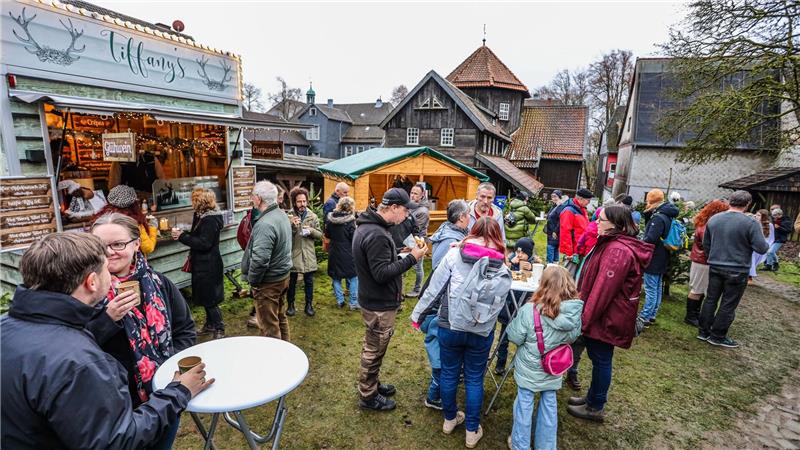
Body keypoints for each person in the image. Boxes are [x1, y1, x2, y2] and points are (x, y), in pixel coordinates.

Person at [1, 232, 213, 449]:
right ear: (92, 282)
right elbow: (116, 440)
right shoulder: (79, 362)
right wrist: (179, 392)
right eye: (105, 268)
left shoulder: (7, 327)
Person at [88, 213, 198, 448]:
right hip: (115, 404)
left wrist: (168, 369)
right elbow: (74, 348)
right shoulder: (86, 292)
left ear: (137, 244)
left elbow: (185, 329)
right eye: (101, 246)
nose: (109, 252)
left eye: (118, 244)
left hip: (163, 394)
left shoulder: (159, 283)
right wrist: (107, 319)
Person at [410, 217, 510, 448]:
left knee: (448, 374)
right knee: (475, 379)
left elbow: (434, 288)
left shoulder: (455, 255)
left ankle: (449, 419)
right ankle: (472, 431)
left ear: (473, 231)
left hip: (450, 326)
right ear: (496, 236)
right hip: (481, 331)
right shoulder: (502, 264)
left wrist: (418, 316)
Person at [567, 205, 654, 423]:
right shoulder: (611, 243)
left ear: (617, 225)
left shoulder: (617, 251)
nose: (597, 223)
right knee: (599, 359)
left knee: (602, 359)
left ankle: (595, 406)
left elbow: (602, 291)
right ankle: (592, 398)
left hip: (607, 316)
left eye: (601, 220)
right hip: (604, 314)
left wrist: (584, 320)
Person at [353, 188, 426, 411]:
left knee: (376, 346)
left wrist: (398, 251)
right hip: (378, 304)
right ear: (393, 208)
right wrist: (413, 257)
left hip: (373, 299)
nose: (407, 216)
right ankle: (368, 396)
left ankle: (372, 384)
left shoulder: (369, 227)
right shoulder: (376, 234)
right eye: (405, 210)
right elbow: (382, 273)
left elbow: (379, 259)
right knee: (374, 349)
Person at [507, 266, 584, 450]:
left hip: (529, 366)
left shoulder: (529, 310)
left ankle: (520, 444)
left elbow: (515, 337)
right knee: (549, 403)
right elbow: (573, 337)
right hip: (553, 368)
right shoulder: (574, 314)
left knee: (524, 403)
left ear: (543, 285)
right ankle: (546, 446)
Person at [698, 190, 769, 348]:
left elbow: (706, 243)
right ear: (747, 204)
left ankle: (703, 331)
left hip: (716, 265)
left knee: (710, 299)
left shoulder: (714, 219)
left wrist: (713, 257)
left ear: (731, 201)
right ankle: (717, 336)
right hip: (737, 268)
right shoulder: (750, 223)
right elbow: (762, 247)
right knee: (728, 304)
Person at [418, 199, 470, 411]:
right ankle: (435, 395)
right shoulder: (451, 238)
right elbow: (443, 273)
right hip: (441, 303)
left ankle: (440, 388)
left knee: (441, 349)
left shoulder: (448, 232)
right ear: (461, 218)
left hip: (440, 302)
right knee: (439, 350)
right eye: (468, 215)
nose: (470, 218)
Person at [241, 181, 293, 340]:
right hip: (282, 277)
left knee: (269, 327)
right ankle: (287, 354)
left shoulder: (265, 223)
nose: (252, 199)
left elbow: (260, 260)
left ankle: (276, 362)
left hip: (269, 283)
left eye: (253, 196)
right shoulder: (281, 214)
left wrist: (254, 281)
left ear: (258, 199)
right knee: (280, 316)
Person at [172, 189, 225, 339]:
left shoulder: (210, 219)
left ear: (200, 202)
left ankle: (219, 327)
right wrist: (184, 233)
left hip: (209, 264)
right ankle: (210, 325)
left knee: (210, 299)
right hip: (201, 263)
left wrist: (182, 236)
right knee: (205, 296)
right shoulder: (200, 215)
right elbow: (197, 236)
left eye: (193, 200)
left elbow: (204, 243)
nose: (191, 202)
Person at [494, 237, 540, 375]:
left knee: (525, 338)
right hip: (509, 305)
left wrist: (532, 267)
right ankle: (500, 364)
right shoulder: (511, 261)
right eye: (517, 251)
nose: (519, 255)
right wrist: (511, 265)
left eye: (522, 252)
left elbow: (537, 280)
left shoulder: (534, 263)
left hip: (524, 306)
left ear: (529, 253)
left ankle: (520, 365)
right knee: (504, 337)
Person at [638, 189, 679, 326]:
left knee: (650, 287)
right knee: (656, 287)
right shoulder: (667, 215)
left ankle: (645, 316)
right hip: (663, 255)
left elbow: (651, 239)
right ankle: (652, 314)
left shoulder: (658, 217)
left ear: (651, 200)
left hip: (655, 256)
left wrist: (641, 241)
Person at [686, 200, 730, 327]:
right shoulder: (707, 226)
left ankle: (696, 313)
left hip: (701, 260)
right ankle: (691, 316)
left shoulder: (705, 223)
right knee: (697, 289)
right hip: (703, 261)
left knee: (699, 288)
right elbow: (708, 246)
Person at [287, 187, 323, 317]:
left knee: (309, 281)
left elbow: (320, 235)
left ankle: (309, 305)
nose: (302, 204)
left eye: (304, 201)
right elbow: (284, 236)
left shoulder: (312, 216)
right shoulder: (289, 216)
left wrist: (311, 231)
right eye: (299, 202)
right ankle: (290, 305)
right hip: (294, 254)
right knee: (292, 281)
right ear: (294, 202)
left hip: (308, 254)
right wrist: (291, 226)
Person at [97, 184, 158, 255]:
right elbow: (148, 248)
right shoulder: (133, 222)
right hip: (129, 263)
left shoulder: (102, 219)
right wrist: (153, 227)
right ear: (134, 203)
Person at [326, 196, 360, 310]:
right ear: (351, 207)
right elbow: (354, 238)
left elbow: (327, 235)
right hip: (348, 253)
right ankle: (353, 302)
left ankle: (340, 300)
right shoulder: (351, 222)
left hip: (334, 252)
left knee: (336, 277)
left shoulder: (330, 220)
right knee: (353, 277)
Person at [404, 182, 431, 298]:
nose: (412, 195)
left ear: (422, 195)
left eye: (416, 194)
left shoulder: (423, 211)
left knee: (418, 267)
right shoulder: (411, 206)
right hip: (408, 239)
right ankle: (399, 289)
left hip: (418, 241)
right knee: (403, 265)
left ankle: (417, 289)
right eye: (411, 193)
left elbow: (415, 228)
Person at [559, 188, 593, 275]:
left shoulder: (582, 210)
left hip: (580, 249)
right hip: (573, 252)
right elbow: (565, 233)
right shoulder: (569, 211)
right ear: (580, 199)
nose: (589, 202)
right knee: (568, 275)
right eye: (588, 200)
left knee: (575, 276)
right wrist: (569, 253)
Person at [430, 199, 470, 268]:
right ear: (461, 217)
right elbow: (436, 266)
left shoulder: (458, 232)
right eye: (468, 213)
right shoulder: (450, 240)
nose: (470, 216)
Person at [749, 209, 774, 281]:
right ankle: (749, 276)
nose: (756, 216)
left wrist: (767, 245)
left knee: (755, 261)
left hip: (762, 246)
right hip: (753, 245)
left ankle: (750, 275)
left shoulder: (770, 225)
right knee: (751, 259)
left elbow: (771, 238)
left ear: (764, 217)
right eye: (756, 214)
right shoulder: (753, 223)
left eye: (759, 215)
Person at [543, 190, 564, 263]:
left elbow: (560, 220)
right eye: (552, 196)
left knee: (551, 247)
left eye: (555, 196)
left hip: (555, 231)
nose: (553, 198)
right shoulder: (554, 206)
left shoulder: (560, 206)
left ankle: (550, 264)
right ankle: (555, 263)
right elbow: (549, 216)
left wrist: (555, 231)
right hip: (551, 230)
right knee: (554, 247)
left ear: (560, 197)